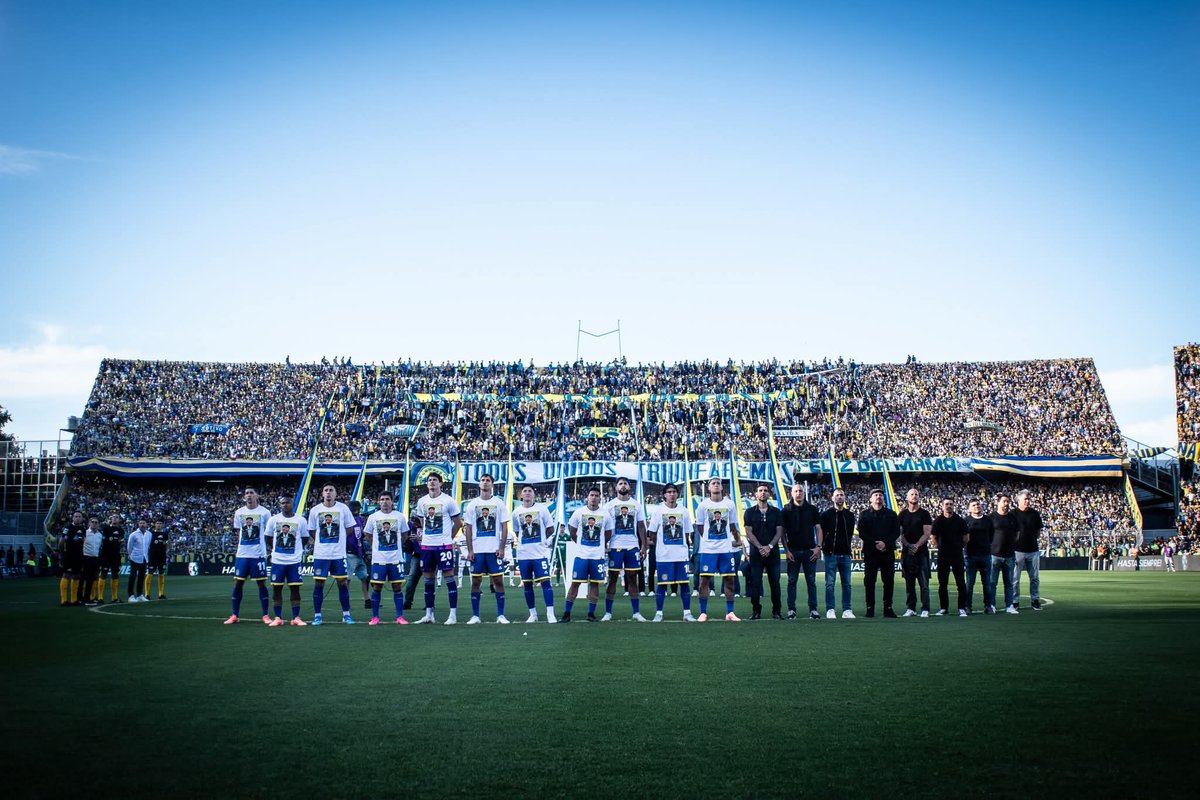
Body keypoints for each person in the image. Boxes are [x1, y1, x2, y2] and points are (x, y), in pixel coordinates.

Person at [413, 473, 463, 625]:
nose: (432, 482)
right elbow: (423, 523)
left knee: (449, 578)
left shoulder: (448, 500)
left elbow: (458, 523)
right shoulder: (422, 501)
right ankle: (429, 615)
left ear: (441, 484)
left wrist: (448, 538)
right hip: (427, 546)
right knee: (428, 580)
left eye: (435, 480)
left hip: (443, 546)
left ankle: (452, 615)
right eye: (429, 480)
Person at [306, 483, 360, 625]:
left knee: (342, 583)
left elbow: (349, 529)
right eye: (326, 490)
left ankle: (346, 614)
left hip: (338, 555)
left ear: (336, 493)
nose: (328, 493)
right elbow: (312, 531)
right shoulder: (315, 510)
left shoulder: (343, 509)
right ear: (322, 494)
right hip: (321, 555)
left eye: (331, 490)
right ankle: (317, 615)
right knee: (319, 583)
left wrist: (338, 540)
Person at [462, 473, 512, 625]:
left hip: (494, 549)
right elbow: (468, 528)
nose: (485, 483)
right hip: (477, 549)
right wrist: (470, 550)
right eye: (482, 480)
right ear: (479, 484)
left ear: (492, 485)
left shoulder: (499, 503)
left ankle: (501, 615)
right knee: (475, 581)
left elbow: (504, 527)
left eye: (488, 480)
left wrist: (502, 547)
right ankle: (475, 615)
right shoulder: (472, 505)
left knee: (498, 580)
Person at [694, 477, 742, 622]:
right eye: (713, 483)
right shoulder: (703, 505)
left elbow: (733, 525)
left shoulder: (729, 504)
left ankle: (730, 612)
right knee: (705, 580)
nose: (716, 485)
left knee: (729, 580)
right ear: (709, 488)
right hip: (708, 550)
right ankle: (703, 612)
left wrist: (736, 539)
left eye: (718, 483)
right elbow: (700, 527)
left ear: (722, 487)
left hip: (726, 549)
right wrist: (710, 539)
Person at [563, 486, 612, 622]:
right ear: (587, 497)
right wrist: (580, 543)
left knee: (595, 584)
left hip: (597, 557)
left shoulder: (605, 514)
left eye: (597, 496)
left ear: (599, 498)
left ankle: (591, 614)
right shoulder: (579, 512)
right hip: (582, 556)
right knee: (575, 584)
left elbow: (608, 534)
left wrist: (600, 545)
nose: (594, 498)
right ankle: (567, 613)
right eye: (592, 495)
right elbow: (572, 530)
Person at [648, 484, 696, 622]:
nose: (671, 494)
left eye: (674, 492)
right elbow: (652, 533)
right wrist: (662, 546)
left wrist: (685, 548)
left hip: (681, 555)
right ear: (664, 495)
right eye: (669, 492)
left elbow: (687, 533)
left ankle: (687, 613)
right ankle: (659, 613)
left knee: (684, 584)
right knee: (662, 584)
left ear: (677, 494)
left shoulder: (684, 511)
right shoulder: (658, 511)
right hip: (664, 556)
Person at [224, 486, 272, 625]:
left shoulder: (265, 512)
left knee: (261, 583)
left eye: (251, 493)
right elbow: (239, 532)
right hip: (243, 554)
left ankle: (265, 615)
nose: (249, 495)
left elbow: (268, 533)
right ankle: (235, 615)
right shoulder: (239, 512)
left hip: (258, 554)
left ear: (257, 495)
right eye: (246, 493)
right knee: (238, 582)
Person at [602, 477, 648, 622]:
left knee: (632, 578)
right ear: (616, 487)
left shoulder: (636, 505)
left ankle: (636, 612)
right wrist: (604, 544)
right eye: (620, 484)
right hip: (615, 546)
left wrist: (644, 545)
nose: (623, 486)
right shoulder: (609, 505)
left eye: (625, 483)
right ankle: (608, 612)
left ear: (629, 487)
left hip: (632, 546)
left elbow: (641, 525)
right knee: (613, 579)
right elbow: (605, 527)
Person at [363, 490, 410, 626]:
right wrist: (374, 546)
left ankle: (400, 616)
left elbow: (405, 534)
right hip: (379, 559)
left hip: (395, 559)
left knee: (397, 586)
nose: (385, 501)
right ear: (379, 501)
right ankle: (375, 617)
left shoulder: (400, 517)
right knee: (377, 587)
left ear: (392, 501)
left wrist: (397, 545)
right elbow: (367, 534)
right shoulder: (373, 517)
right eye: (382, 499)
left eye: (387, 499)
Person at [512, 485, 558, 623]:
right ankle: (533, 614)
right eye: (524, 491)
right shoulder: (516, 512)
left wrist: (543, 542)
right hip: (524, 555)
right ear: (521, 495)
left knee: (545, 583)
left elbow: (550, 529)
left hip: (540, 554)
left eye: (529, 491)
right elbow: (517, 532)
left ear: (534, 494)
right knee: (527, 585)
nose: (527, 493)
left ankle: (550, 613)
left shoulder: (542, 509)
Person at [264, 492, 310, 627]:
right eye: (283, 503)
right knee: (277, 589)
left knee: (295, 589)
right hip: (278, 561)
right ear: (280, 504)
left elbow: (305, 538)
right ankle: (278, 617)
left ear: (293, 503)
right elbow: (268, 537)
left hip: (294, 561)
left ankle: (296, 617)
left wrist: (296, 550)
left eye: (287, 502)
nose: (285, 505)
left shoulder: (300, 520)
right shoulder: (273, 520)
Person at [780, 482, 821, 620]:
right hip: (793, 552)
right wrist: (786, 550)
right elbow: (782, 533)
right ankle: (791, 610)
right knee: (792, 581)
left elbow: (819, 528)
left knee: (811, 581)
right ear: (791, 494)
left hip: (810, 551)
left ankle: (813, 609)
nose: (798, 493)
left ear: (804, 493)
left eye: (800, 491)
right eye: (796, 491)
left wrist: (818, 547)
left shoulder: (812, 509)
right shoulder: (786, 510)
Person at [856, 489, 899, 618]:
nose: (878, 497)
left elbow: (896, 532)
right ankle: (870, 608)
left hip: (887, 551)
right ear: (870, 499)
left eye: (880, 495)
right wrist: (875, 543)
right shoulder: (864, 515)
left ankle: (888, 608)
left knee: (889, 581)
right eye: (875, 495)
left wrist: (885, 543)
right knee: (869, 581)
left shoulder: (891, 514)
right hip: (870, 553)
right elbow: (862, 533)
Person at [743, 483, 784, 620]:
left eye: (765, 490)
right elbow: (749, 532)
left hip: (773, 553)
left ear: (769, 494)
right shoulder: (749, 512)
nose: (763, 492)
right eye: (760, 490)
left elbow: (779, 532)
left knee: (775, 583)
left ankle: (777, 611)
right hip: (756, 554)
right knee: (755, 582)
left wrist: (770, 546)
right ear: (756, 494)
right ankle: (756, 610)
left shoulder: (776, 512)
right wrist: (760, 547)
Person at [819, 487, 856, 619]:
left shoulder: (850, 515)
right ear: (832, 498)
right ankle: (830, 609)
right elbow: (821, 533)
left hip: (845, 554)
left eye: (841, 495)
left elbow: (850, 534)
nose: (839, 497)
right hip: (831, 554)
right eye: (837, 495)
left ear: (844, 498)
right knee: (830, 584)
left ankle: (847, 609)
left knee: (847, 584)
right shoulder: (826, 515)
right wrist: (823, 548)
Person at [898, 488, 933, 618]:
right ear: (907, 498)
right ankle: (910, 608)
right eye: (912, 494)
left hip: (922, 552)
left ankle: (925, 608)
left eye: (916, 494)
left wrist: (917, 545)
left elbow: (927, 532)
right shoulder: (902, 515)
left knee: (924, 583)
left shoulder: (924, 514)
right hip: (907, 553)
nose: (914, 496)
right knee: (909, 583)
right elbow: (899, 533)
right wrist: (908, 545)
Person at [931, 498, 968, 617]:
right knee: (942, 583)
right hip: (943, 555)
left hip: (957, 554)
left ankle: (962, 608)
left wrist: (959, 546)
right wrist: (941, 547)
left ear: (954, 505)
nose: (949, 506)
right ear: (942, 506)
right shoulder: (938, 521)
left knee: (960, 583)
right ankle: (943, 608)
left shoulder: (960, 521)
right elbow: (933, 537)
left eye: (951, 504)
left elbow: (966, 538)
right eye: (946, 504)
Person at [1012, 490, 1043, 610]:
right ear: (1018, 500)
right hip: (1017, 550)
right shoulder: (1013, 513)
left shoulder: (1035, 513)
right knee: (1015, 579)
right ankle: (1015, 601)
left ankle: (1035, 600)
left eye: (1028, 499)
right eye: (1025, 499)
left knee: (1034, 578)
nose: (1027, 501)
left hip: (1033, 550)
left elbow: (1038, 532)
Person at [990, 494, 1019, 614]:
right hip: (994, 555)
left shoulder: (1012, 517)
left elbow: (1017, 534)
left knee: (1009, 583)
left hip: (1009, 555)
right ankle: (991, 605)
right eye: (1004, 501)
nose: (1006, 504)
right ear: (998, 502)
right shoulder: (991, 517)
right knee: (992, 583)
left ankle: (1009, 605)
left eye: (1008, 501)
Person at [964, 499, 994, 614]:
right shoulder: (966, 520)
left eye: (978, 504)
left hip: (985, 555)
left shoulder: (987, 520)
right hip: (970, 555)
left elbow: (991, 535)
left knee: (987, 583)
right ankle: (968, 606)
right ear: (969, 508)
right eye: (973, 505)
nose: (976, 506)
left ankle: (988, 606)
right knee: (970, 583)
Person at [346, 500, 372, 610]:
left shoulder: (359, 520)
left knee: (364, 577)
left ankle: (367, 600)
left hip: (359, 553)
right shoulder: (347, 521)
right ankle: (345, 600)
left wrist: (364, 552)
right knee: (347, 579)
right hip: (350, 553)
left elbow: (360, 536)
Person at [57, 510, 86, 606]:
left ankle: (74, 600)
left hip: (79, 556)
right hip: (69, 555)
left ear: (81, 519)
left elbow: (84, 542)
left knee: (76, 576)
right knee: (66, 575)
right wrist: (63, 552)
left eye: (79, 517)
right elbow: (61, 541)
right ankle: (63, 600)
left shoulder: (82, 529)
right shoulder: (68, 527)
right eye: (76, 516)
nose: (77, 518)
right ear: (73, 518)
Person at [98, 513, 125, 603]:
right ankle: (100, 597)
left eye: (116, 517)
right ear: (111, 519)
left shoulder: (121, 531)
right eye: (113, 517)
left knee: (115, 574)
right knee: (103, 574)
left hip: (116, 555)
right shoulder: (106, 529)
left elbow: (120, 542)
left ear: (119, 520)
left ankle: (114, 597)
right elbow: (103, 541)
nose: (115, 518)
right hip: (106, 554)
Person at [145, 518, 170, 600]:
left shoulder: (165, 534)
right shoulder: (150, 534)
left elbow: (166, 544)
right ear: (155, 525)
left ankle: (161, 594)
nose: (158, 524)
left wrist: (166, 552)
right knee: (150, 572)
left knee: (161, 573)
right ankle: (146, 594)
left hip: (162, 556)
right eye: (157, 523)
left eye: (160, 523)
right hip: (153, 556)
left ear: (162, 525)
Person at [126, 518, 150, 603]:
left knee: (141, 577)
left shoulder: (149, 534)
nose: (142, 525)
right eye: (141, 523)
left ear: (146, 524)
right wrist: (130, 555)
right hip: (135, 558)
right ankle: (131, 595)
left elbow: (148, 546)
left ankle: (140, 595)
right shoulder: (134, 534)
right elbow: (129, 546)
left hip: (144, 558)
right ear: (138, 524)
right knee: (132, 576)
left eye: (144, 523)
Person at [81, 517, 103, 606]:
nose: (94, 524)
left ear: (98, 524)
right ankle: (80, 598)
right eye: (92, 522)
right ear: (89, 523)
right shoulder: (85, 533)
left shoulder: (100, 535)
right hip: (85, 557)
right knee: (82, 579)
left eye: (96, 522)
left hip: (95, 558)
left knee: (91, 579)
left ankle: (88, 598)